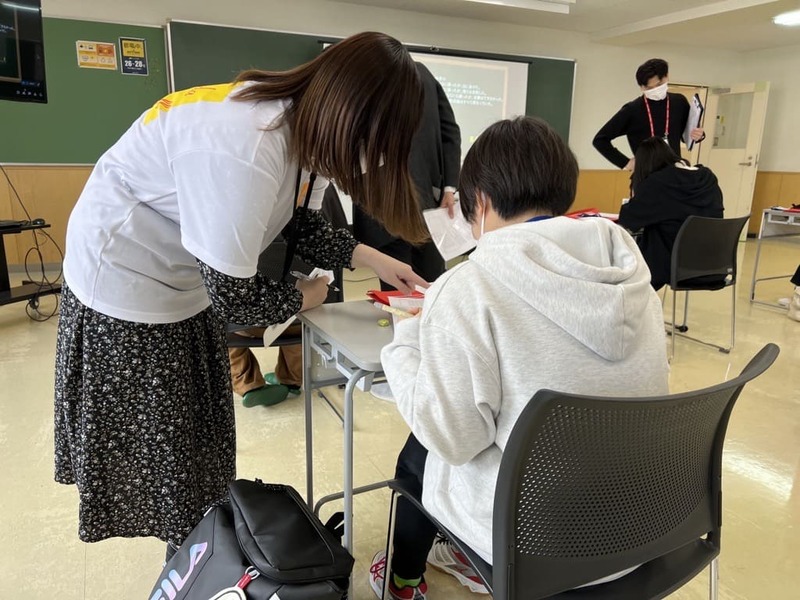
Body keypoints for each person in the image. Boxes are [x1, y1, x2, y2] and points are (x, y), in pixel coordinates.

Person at [54, 31, 430, 552]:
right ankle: (190, 562)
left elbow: (297, 224)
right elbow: (236, 299)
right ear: (349, 114)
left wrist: (374, 259)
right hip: (125, 282)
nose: (375, 160)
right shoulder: (248, 143)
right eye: (377, 143)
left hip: (182, 280)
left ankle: (197, 548)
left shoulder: (306, 136)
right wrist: (308, 297)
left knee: (200, 451)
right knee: (170, 459)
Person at [369, 116, 670, 599]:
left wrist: (406, 338)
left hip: (529, 544)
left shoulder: (468, 287)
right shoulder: (632, 275)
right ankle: (455, 559)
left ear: (481, 202)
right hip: (638, 529)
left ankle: (404, 579)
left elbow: (453, 440)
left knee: (422, 446)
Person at [354, 61, 461, 402]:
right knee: (418, 289)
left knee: (413, 291)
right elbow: (450, 132)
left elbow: (448, 130)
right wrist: (448, 186)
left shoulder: (368, 75)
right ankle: (422, 371)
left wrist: (449, 186)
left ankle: (411, 372)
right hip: (405, 200)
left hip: (398, 201)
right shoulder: (420, 73)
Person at [228, 185, 349, 408]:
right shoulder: (319, 185)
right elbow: (342, 238)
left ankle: (247, 383)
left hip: (243, 323)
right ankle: (291, 380)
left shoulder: (229, 190)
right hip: (302, 319)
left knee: (217, 295)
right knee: (300, 296)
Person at [617, 137, 724, 290]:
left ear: (644, 165)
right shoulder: (708, 178)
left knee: (634, 248)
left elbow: (628, 219)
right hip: (715, 267)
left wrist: (637, 188)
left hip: (675, 268)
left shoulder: (657, 182)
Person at [593, 58, 704, 171]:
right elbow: (600, 140)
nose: (655, 90)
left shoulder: (679, 102)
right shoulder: (632, 109)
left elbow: (687, 135)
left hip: (675, 170)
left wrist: (699, 135)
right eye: (649, 88)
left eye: (659, 84)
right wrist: (625, 162)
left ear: (666, 76)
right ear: (641, 87)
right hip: (646, 174)